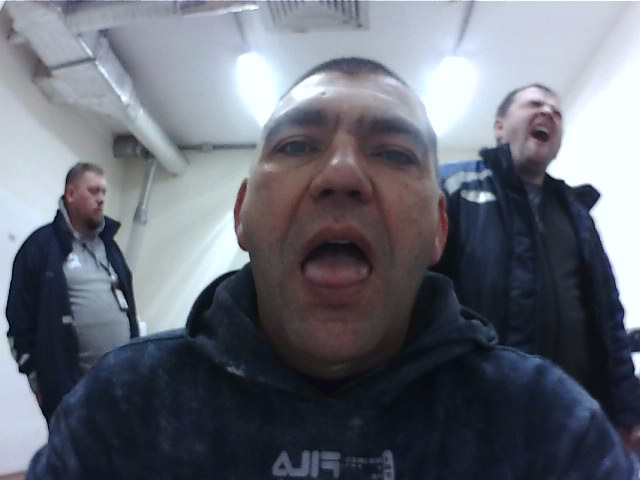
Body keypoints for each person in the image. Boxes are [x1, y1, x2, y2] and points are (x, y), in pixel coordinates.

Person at [27, 59, 635, 479]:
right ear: (243, 215)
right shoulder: (122, 407)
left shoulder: (552, 428)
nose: (342, 175)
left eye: (393, 152)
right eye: (296, 146)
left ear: (438, 230)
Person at [435, 84, 640, 449]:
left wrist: (628, 408)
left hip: (576, 418)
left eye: (556, 111)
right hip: (473, 421)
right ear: (499, 126)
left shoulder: (576, 212)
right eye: (534, 104)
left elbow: (608, 317)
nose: (547, 112)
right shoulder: (451, 187)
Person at [6, 162, 139, 424]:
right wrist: (36, 381)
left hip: (119, 384)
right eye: (93, 191)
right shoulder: (40, 247)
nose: (101, 199)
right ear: (70, 194)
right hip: (68, 390)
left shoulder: (110, 248)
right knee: (73, 451)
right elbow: (19, 320)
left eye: (104, 192)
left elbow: (128, 306)